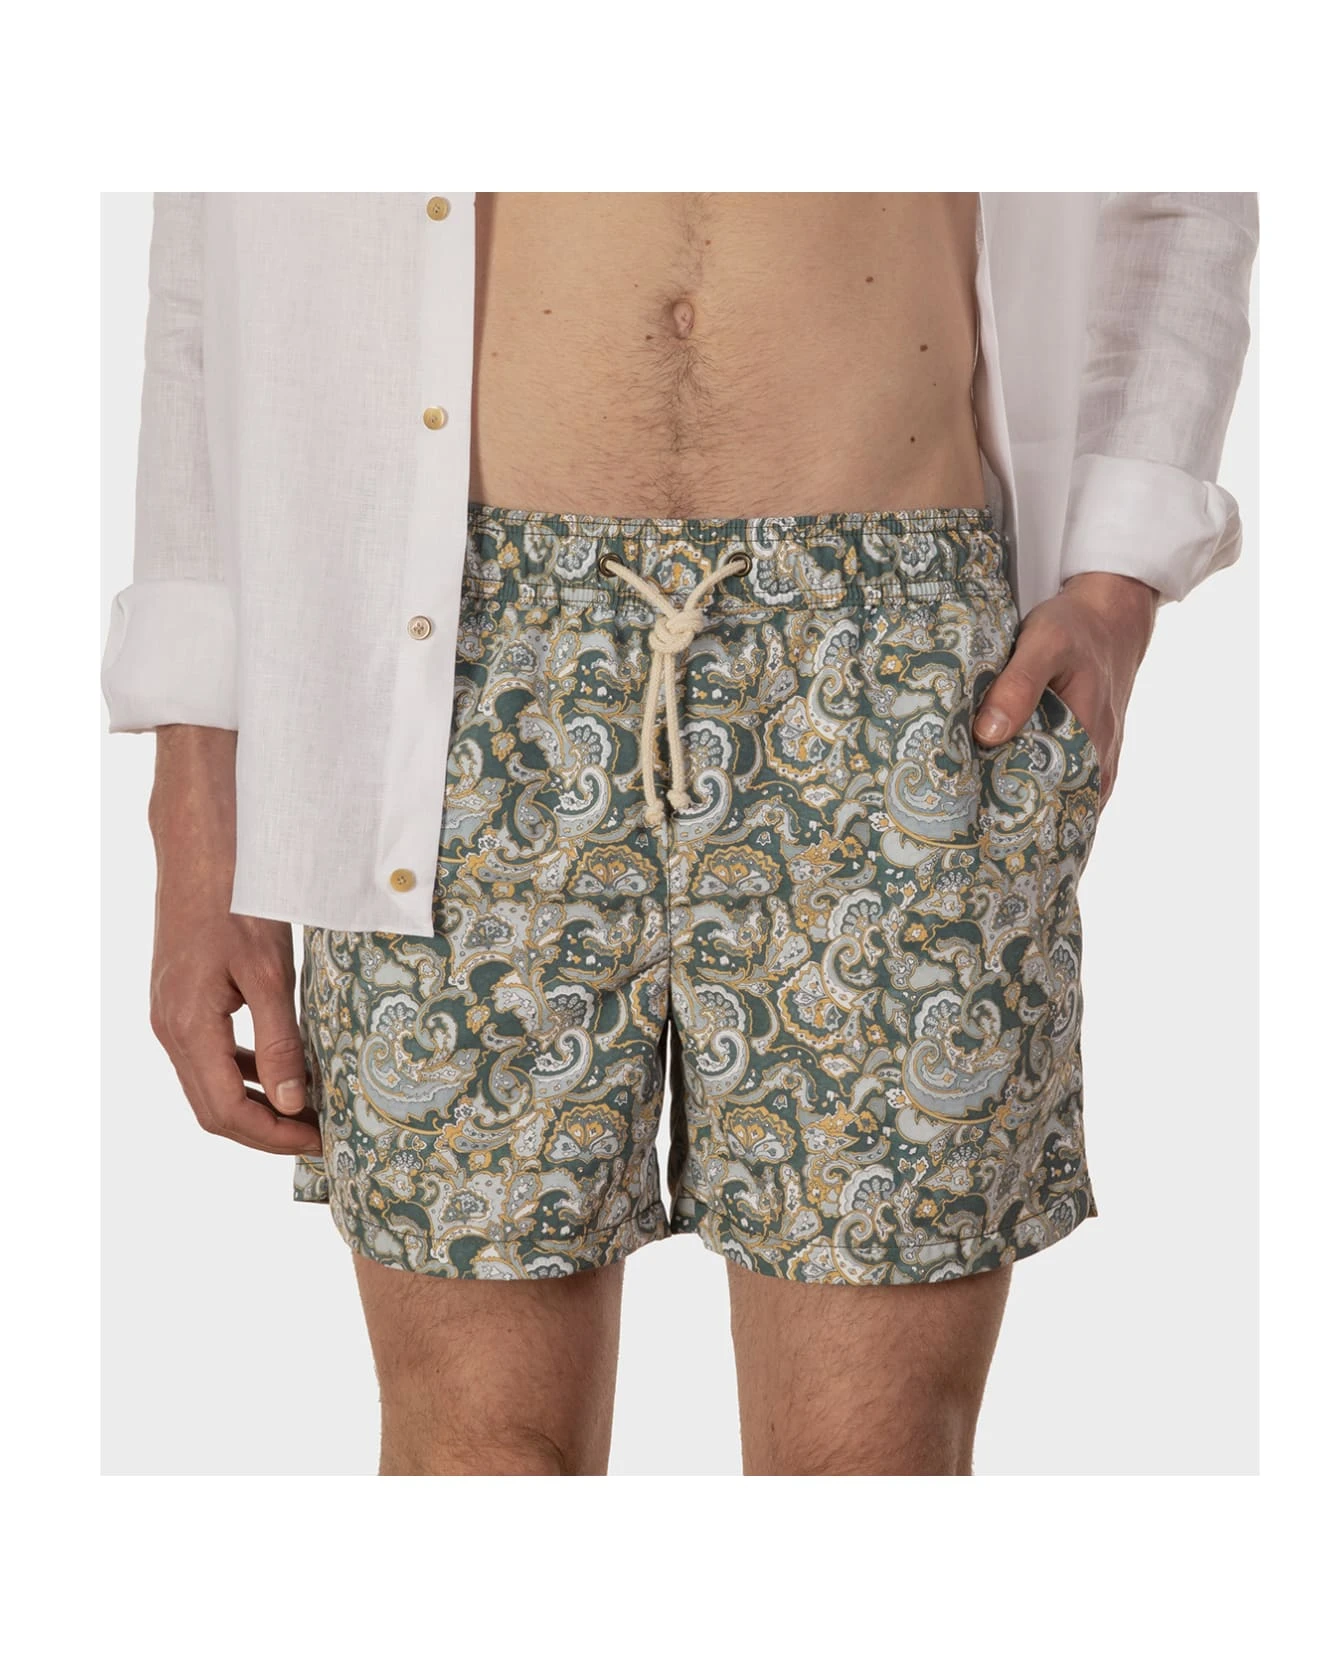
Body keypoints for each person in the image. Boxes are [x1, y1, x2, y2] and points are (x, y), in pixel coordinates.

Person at [102, 192, 1258, 1476]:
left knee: (868, 1467)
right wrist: (197, 787)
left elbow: (1179, 172)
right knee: (476, 1460)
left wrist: (1116, 584)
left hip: (890, 656)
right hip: (453, 670)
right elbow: (212, 248)